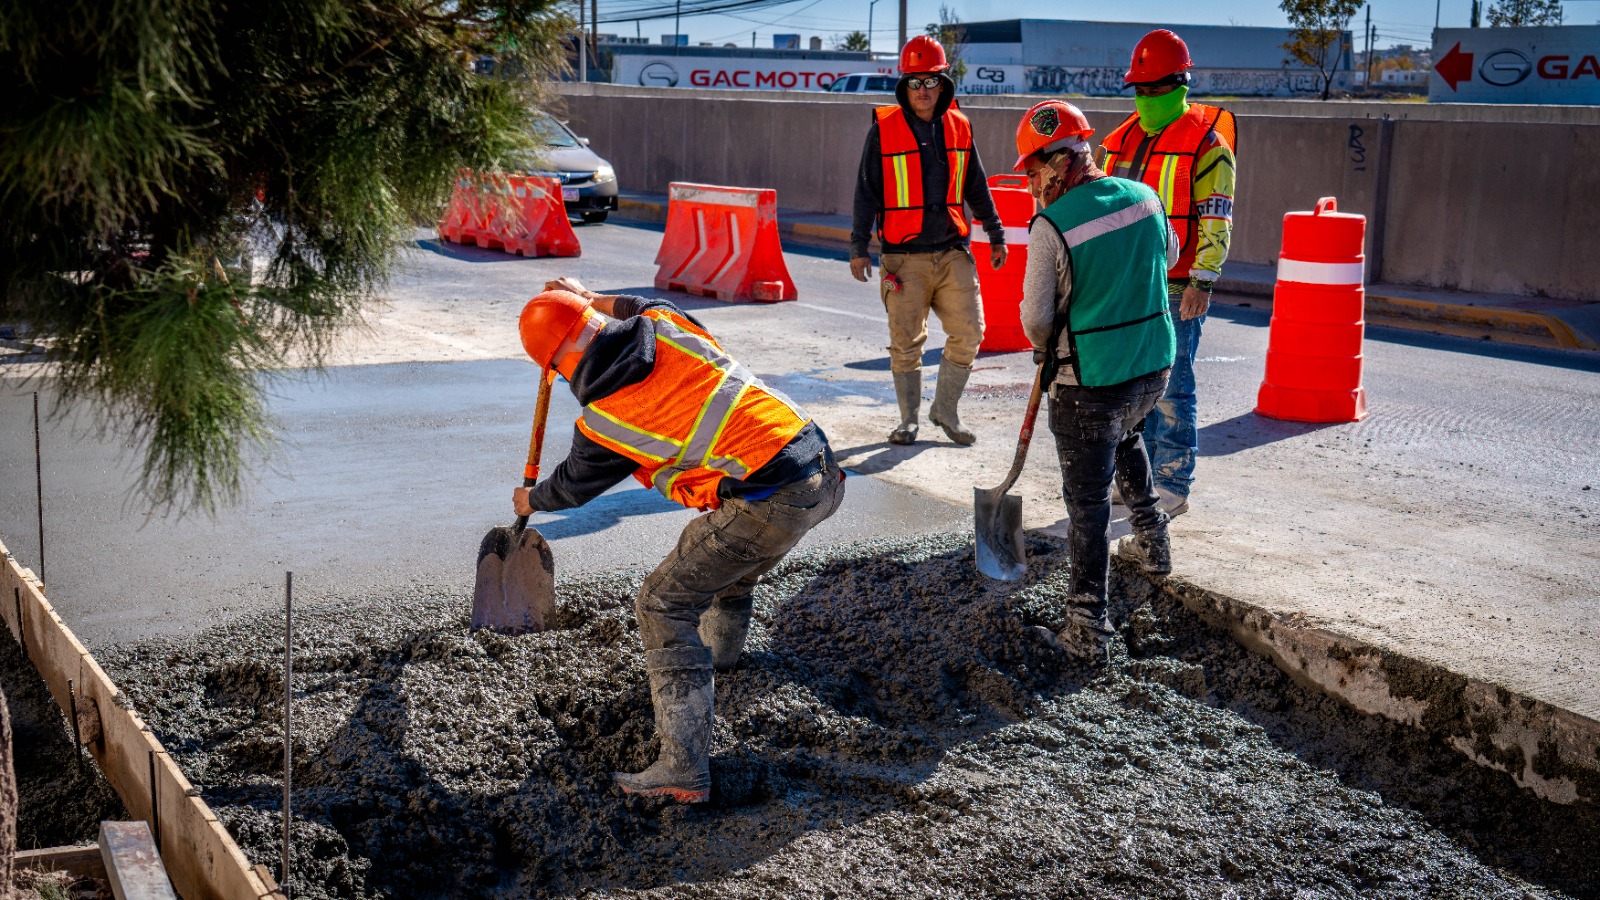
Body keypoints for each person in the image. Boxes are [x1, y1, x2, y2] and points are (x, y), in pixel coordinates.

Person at [513, 278, 845, 803]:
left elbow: (573, 486)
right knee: (722, 562)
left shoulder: (606, 421)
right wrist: (587, 295)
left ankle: (681, 771)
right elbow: (640, 304)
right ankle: (720, 662)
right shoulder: (666, 327)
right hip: (823, 473)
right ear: (595, 322)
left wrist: (529, 502)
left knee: (662, 602)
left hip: (772, 501)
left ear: (555, 367)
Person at [1013, 100, 1177, 666]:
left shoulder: (1051, 225)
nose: (1032, 184)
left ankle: (1086, 627)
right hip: (1152, 368)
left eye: (1033, 172)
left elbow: (1036, 319)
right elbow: (1169, 255)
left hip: (1090, 382)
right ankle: (1154, 544)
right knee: (1125, 434)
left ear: (1059, 162)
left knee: (1086, 504)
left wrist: (1054, 322)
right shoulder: (1146, 197)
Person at [1098, 29, 1237, 518]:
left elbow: (1217, 216)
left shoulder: (1209, 144)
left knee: (1173, 388)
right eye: (1141, 88)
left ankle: (1173, 484)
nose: (1148, 97)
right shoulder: (1120, 141)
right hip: (1128, 281)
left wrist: (1203, 279)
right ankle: (1138, 479)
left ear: (1181, 84)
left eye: (1157, 88)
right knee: (1132, 390)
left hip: (1179, 283)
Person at [849, 34, 1008, 447]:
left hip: (953, 251)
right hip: (903, 259)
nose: (922, 91)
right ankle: (909, 420)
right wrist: (857, 247)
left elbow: (976, 184)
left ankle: (945, 410)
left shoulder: (960, 125)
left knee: (970, 333)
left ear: (944, 85)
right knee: (906, 344)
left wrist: (995, 233)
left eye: (930, 81)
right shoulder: (883, 131)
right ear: (904, 86)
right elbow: (866, 190)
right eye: (914, 82)